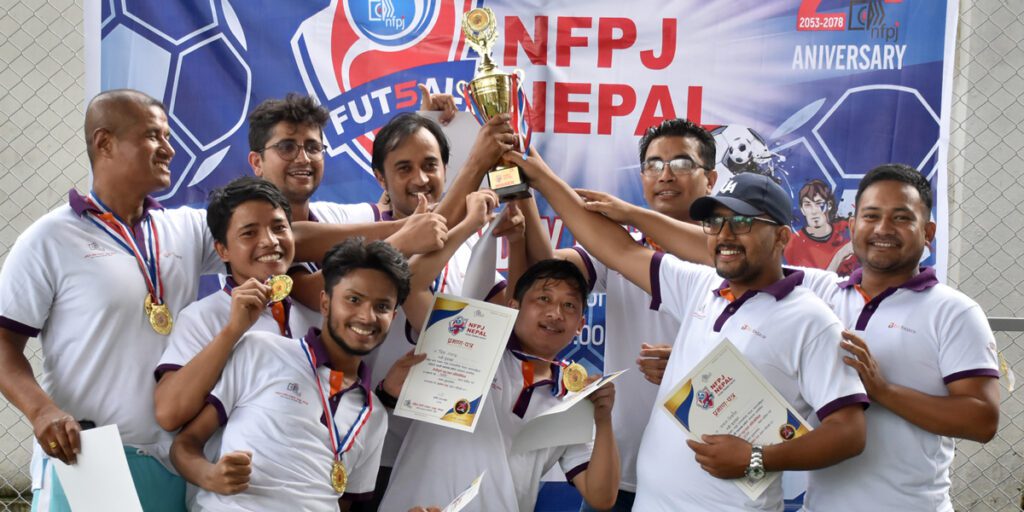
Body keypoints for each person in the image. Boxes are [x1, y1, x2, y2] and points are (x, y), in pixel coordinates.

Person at [580, 164, 1002, 510]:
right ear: (853, 224)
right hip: (822, 504)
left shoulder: (953, 311)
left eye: (902, 217)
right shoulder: (823, 291)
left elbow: (982, 421)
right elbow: (727, 247)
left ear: (928, 232)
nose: (883, 228)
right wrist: (634, 215)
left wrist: (884, 390)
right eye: (871, 215)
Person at [507, 148, 868, 511]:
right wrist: (540, 177)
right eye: (715, 223)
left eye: (742, 222)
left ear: (781, 237)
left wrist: (756, 458)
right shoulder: (702, 286)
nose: (725, 234)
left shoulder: (811, 319)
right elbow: (618, 249)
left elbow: (849, 433)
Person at [0, 89, 222, 511]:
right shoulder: (49, 238)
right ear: (104, 143)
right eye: (153, 136)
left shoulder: (186, 228)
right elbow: (3, 345)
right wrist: (41, 411)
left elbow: (277, 238)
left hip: (173, 462)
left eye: (168, 137)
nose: (170, 149)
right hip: (88, 461)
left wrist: (366, 227)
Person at [519, 118, 716, 511]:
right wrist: (522, 189)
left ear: (710, 179)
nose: (665, 175)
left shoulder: (732, 255)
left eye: (681, 163)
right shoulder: (622, 250)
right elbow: (544, 274)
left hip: (704, 475)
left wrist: (689, 367)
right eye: (653, 164)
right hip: (622, 470)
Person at [170, 238, 411, 511]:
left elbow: (342, 504)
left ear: (393, 316)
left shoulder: (374, 414)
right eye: (354, 299)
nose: (367, 317)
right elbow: (185, 444)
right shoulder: (261, 350)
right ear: (325, 303)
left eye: (382, 307)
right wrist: (209, 475)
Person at [380, 259, 620, 512]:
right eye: (544, 299)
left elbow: (601, 497)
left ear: (580, 325)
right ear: (514, 307)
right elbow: (411, 284)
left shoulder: (574, 397)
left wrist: (603, 419)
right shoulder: (468, 345)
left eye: (569, 305)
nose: (555, 313)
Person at [154, 176, 315, 432]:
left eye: (279, 228)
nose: (270, 241)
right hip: (231, 458)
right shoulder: (202, 316)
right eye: (249, 233)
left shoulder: (313, 308)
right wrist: (233, 331)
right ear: (223, 250)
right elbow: (169, 413)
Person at [783, 179, 855, 274]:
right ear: (802, 209)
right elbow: (811, 283)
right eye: (807, 205)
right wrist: (840, 255)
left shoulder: (847, 230)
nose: (814, 211)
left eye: (819, 204)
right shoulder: (793, 244)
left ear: (829, 205)